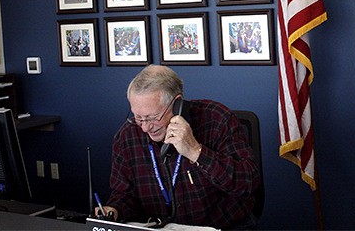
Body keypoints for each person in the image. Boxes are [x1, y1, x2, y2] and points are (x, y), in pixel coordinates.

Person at [97, 65, 260, 229]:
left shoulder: (217, 119)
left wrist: (196, 152)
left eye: (153, 117)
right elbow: (125, 194)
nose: (145, 128)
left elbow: (248, 183)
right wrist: (114, 210)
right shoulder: (127, 136)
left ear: (177, 104)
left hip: (222, 227)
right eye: (138, 117)